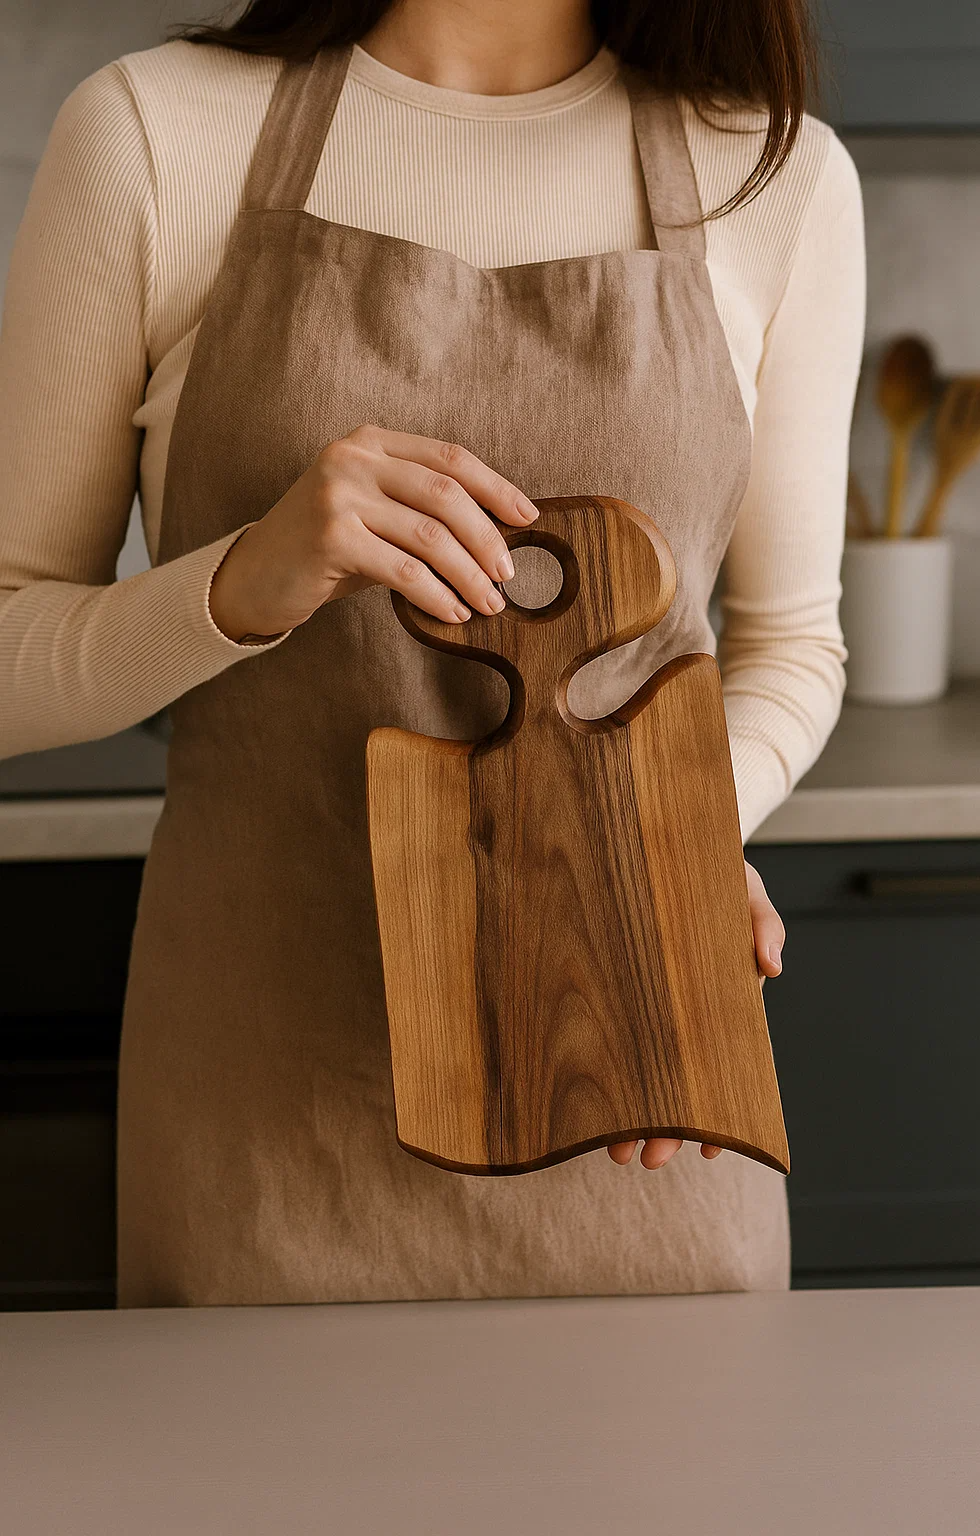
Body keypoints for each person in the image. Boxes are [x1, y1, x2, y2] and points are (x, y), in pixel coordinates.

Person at [0, 0, 865, 1306]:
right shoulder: (152, 131)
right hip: (265, 1134)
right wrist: (240, 582)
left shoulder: (772, 170)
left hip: (638, 1104)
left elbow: (793, 645)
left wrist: (662, 855)